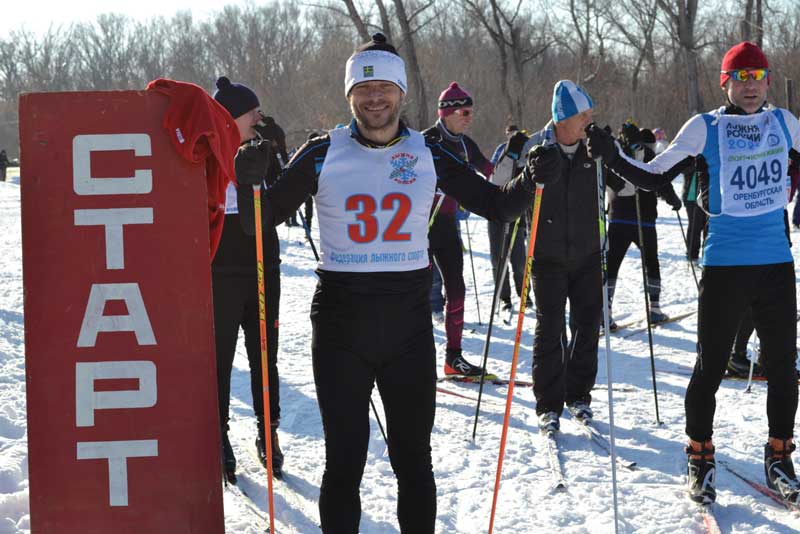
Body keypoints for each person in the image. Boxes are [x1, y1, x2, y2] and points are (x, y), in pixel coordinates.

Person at [234, 33, 551, 533]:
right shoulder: (322, 153)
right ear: (350, 97)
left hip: (407, 325)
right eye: (363, 89)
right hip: (341, 324)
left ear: (402, 93)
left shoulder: (430, 154)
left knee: (413, 461)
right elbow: (262, 217)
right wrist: (247, 180)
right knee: (345, 461)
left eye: (384, 87)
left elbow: (495, 204)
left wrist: (531, 179)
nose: (374, 98)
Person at [586, 41, 800, 506]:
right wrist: (612, 157)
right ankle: (700, 458)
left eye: (758, 76)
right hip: (725, 267)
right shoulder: (706, 128)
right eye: (740, 78)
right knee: (708, 368)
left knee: (785, 368)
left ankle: (780, 456)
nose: (751, 86)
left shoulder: (784, 123)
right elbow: (655, 176)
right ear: (725, 82)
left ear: (767, 79)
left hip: (776, 266)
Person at [504, 80, 603, 432]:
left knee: (588, 326)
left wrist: (618, 152)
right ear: (563, 119)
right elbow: (507, 192)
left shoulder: (595, 146)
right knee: (549, 328)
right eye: (584, 115)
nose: (590, 120)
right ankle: (549, 403)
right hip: (546, 255)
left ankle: (579, 395)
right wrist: (518, 160)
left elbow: (623, 186)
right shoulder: (537, 146)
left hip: (589, 252)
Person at [210, 76, 285, 481]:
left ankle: (268, 431)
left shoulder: (264, 150)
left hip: (262, 269)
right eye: (252, 111)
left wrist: (278, 156)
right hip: (220, 273)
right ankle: (218, 436)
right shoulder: (209, 156)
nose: (260, 116)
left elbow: (279, 205)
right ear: (231, 118)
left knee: (263, 358)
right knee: (219, 362)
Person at [425, 82, 495, 377]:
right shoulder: (426, 140)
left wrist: (517, 161)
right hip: (418, 227)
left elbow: (491, 172)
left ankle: (453, 358)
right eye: (464, 112)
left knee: (457, 289)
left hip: (446, 226)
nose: (469, 117)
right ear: (448, 112)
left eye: (471, 111)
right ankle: (411, 358)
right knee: (415, 294)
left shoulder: (466, 144)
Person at [604, 122, 682, 328]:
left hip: (618, 217)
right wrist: (673, 200)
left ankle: (605, 311)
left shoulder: (614, 154)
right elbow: (660, 180)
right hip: (644, 219)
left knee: (612, 264)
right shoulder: (647, 154)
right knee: (651, 261)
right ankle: (654, 309)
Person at [489, 125, 532, 316]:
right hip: (496, 212)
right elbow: (493, 177)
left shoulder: (528, 150)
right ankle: (504, 297)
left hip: (517, 213)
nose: (513, 137)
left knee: (519, 259)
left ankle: (524, 294)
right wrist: (509, 154)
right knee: (499, 259)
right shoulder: (501, 150)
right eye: (510, 134)